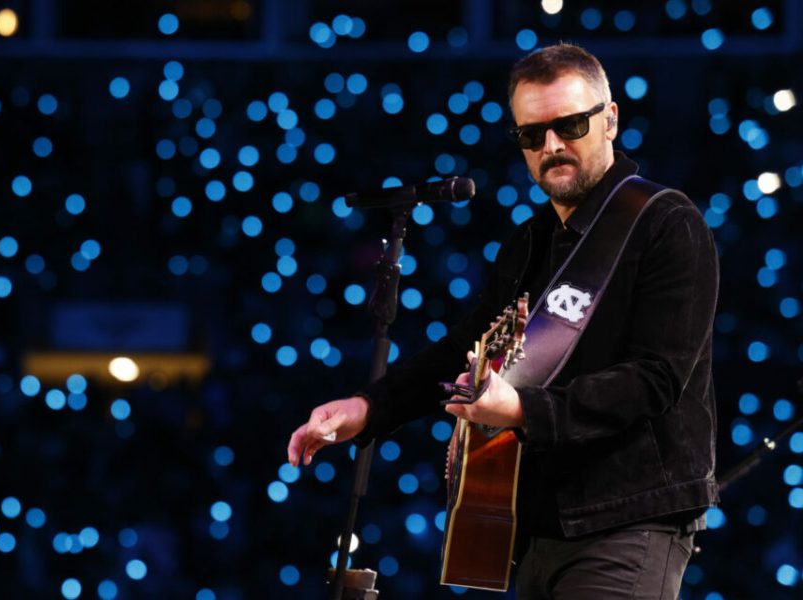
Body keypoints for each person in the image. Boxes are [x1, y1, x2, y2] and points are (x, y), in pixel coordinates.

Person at [286, 43, 718, 599]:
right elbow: (462, 351)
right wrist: (367, 407)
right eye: (532, 135)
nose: (552, 146)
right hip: (530, 523)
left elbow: (655, 380)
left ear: (611, 120)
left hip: (628, 520)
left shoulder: (665, 224)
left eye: (570, 125)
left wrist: (520, 409)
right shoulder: (529, 241)